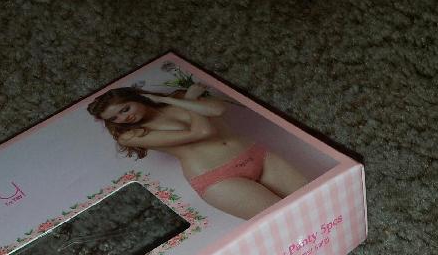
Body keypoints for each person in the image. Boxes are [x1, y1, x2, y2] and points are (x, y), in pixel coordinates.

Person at [87, 84, 308, 219]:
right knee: (284, 219)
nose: (124, 118)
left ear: (136, 97)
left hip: (254, 153)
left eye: (125, 108)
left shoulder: (176, 99)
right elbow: (203, 131)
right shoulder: (132, 134)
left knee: (311, 198)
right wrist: (190, 100)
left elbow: (218, 109)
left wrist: (167, 99)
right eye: (114, 118)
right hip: (219, 179)